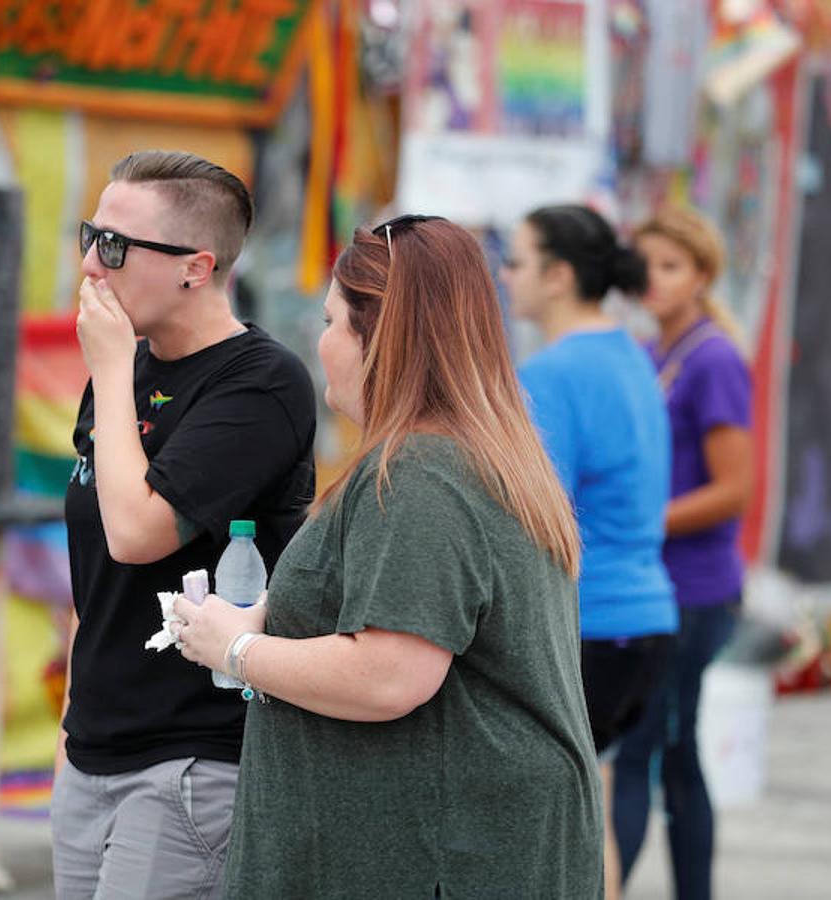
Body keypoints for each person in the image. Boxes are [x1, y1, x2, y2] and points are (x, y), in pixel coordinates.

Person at [173, 216, 602, 899]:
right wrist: (262, 622)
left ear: (381, 340)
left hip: (444, 856)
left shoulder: (421, 471)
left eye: (333, 321)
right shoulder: (471, 455)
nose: (322, 343)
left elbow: (390, 675)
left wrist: (237, 652)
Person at [55, 150, 316, 899]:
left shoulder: (261, 383)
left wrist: (109, 368)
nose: (91, 266)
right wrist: (74, 726)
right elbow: (97, 573)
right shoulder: (124, 368)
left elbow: (137, 536)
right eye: (89, 236)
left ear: (196, 268)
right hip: (91, 750)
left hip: (191, 759)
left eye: (115, 247)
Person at [500, 203, 678, 899]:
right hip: (646, 622)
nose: (505, 276)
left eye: (516, 262)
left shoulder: (552, 374)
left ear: (559, 275)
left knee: (552, 843)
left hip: (587, 628)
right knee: (587, 823)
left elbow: (536, 523)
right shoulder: (633, 355)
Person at [614, 206, 753, 900]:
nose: (654, 281)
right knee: (668, 751)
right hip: (654, 582)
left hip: (695, 590)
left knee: (650, 746)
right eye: (646, 265)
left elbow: (735, 489)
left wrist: (641, 521)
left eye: (671, 267)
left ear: (702, 275)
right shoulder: (647, 352)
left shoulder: (715, 359)